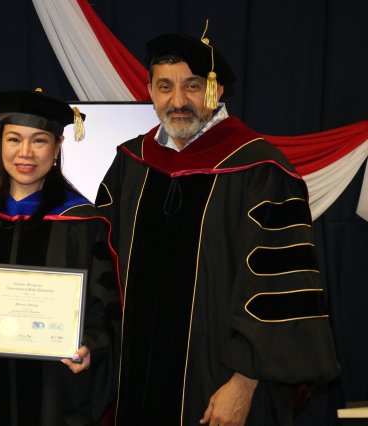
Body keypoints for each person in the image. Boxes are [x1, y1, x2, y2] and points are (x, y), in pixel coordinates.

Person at [95, 30, 340, 426]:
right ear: (150, 91)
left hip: (219, 386)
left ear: (216, 89)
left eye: (192, 86)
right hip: (134, 385)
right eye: (165, 87)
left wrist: (243, 383)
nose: (178, 101)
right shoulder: (131, 163)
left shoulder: (260, 170)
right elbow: (100, 271)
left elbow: (277, 291)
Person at [0, 89, 121, 426]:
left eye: (39, 141)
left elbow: (104, 308)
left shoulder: (83, 223)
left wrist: (91, 347)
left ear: (57, 147)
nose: (25, 153)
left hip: (54, 393)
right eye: (14, 139)